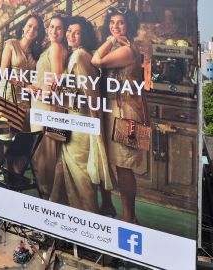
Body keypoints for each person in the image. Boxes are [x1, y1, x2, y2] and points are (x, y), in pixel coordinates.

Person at [49, 16, 112, 213]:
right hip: (72, 119)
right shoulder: (75, 55)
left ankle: (87, 217)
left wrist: (96, 127)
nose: (71, 35)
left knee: (81, 176)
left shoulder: (80, 57)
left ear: (84, 36)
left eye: (77, 32)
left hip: (80, 121)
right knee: (65, 168)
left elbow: (90, 94)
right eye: (69, 31)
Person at [91, 7, 144, 223]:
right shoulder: (120, 46)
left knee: (125, 166)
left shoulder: (127, 50)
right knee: (118, 164)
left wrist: (109, 40)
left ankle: (130, 218)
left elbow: (97, 60)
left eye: (120, 22)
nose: (115, 26)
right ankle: (119, 212)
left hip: (126, 111)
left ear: (129, 25)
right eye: (112, 22)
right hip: (116, 108)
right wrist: (112, 39)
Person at [30, 14, 69, 199]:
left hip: (47, 107)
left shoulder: (55, 48)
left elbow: (58, 77)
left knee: (45, 154)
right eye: (52, 27)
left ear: (63, 32)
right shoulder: (54, 47)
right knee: (46, 153)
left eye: (59, 28)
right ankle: (50, 194)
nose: (54, 31)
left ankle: (47, 196)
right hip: (46, 106)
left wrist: (41, 94)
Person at [0, 14, 45, 132]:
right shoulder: (11, 44)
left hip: (25, 99)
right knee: (6, 132)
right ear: (23, 27)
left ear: (38, 33)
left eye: (36, 28)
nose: (32, 30)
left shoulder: (36, 51)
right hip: (9, 94)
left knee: (21, 133)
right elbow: (4, 72)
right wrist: (25, 86)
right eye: (29, 26)